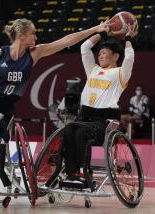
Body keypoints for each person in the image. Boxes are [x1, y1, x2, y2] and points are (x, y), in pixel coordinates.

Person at [0, 18, 109, 192]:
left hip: (5, 110)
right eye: (33, 33)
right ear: (21, 35)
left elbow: (66, 41)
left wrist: (97, 28)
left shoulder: (34, 54)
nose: (36, 36)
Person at [62, 21, 138, 183]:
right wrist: (102, 33)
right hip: (84, 118)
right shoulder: (93, 70)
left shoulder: (119, 74)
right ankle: (70, 173)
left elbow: (130, 58)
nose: (100, 55)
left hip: (103, 122)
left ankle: (82, 172)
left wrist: (128, 39)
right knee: (68, 130)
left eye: (104, 53)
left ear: (116, 56)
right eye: (100, 53)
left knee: (81, 133)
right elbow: (84, 48)